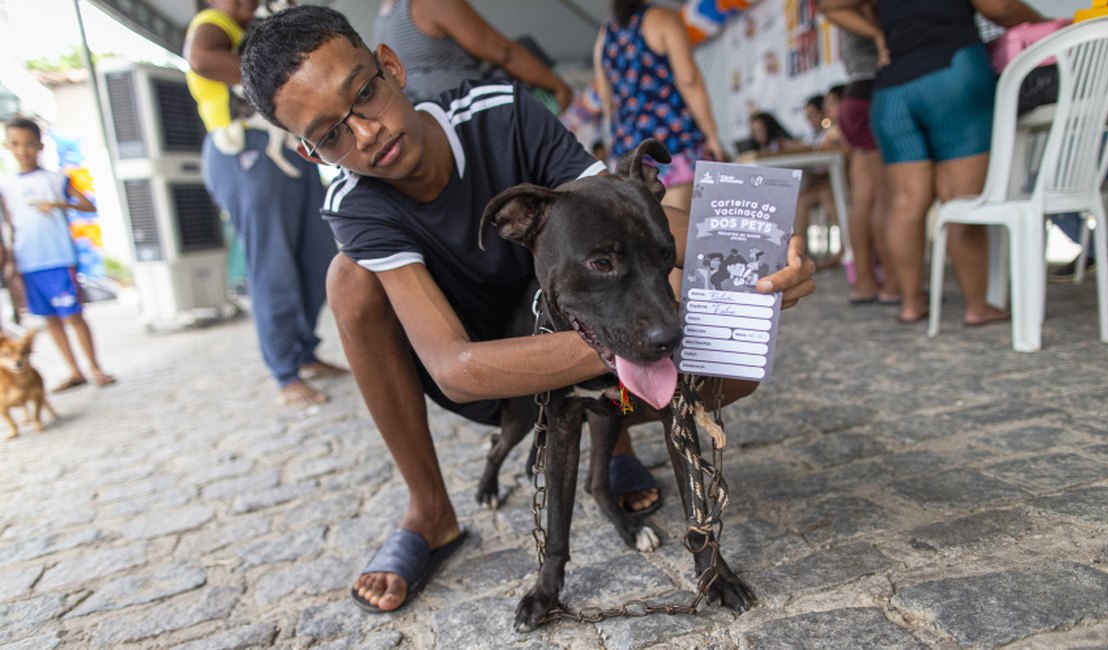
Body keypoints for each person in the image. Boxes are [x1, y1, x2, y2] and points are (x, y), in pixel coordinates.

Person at [240, 5, 816, 613]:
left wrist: (760, 253)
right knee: (349, 280)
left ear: (390, 66)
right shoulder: (354, 200)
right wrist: (638, 336)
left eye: (363, 96)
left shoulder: (502, 111)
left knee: (736, 365)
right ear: (310, 153)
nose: (364, 133)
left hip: (576, 323)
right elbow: (455, 368)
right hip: (492, 370)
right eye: (330, 134)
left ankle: (612, 431)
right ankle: (428, 510)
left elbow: (619, 209)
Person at [822, 0, 1044, 325]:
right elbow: (1002, 8)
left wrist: (879, 33)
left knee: (904, 203)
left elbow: (831, 6)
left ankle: (910, 303)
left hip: (892, 90)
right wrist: (1043, 25)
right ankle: (977, 306)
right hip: (953, 72)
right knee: (962, 201)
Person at [184, 0, 345, 407]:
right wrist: (282, 72)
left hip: (292, 149)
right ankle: (284, 372)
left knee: (317, 253)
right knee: (272, 262)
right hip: (245, 152)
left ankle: (304, 352)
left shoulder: (258, 25)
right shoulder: (213, 24)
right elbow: (201, 58)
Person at [0, 117, 115, 392]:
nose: (23, 150)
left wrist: (59, 204)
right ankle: (74, 371)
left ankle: (95, 367)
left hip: (59, 259)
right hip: (28, 262)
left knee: (73, 315)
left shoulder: (56, 179)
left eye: (29, 144)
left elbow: (87, 204)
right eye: (16, 144)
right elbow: (8, 227)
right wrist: (9, 263)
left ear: (39, 145)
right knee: (50, 318)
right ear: (7, 146)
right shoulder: (6, 187)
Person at [594, 0, 725, 215]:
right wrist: (712, 134)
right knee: (678, 225)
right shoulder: (663, 18)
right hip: (672, 145)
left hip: (626, 153)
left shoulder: (605, 33)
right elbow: (689, 81)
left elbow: (606, 99)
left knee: (642, 231)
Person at [819, 10, 899, 304]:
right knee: (882, 198)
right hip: (871, 94)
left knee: (862, 201)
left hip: (854, 95)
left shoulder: (844, 11)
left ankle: (865, 281)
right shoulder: (861, 10)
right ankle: (892, 283)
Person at [373, 0, 573, 110]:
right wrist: (558, 87)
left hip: (438, 126)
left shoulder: (384, 14)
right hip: (471, 121)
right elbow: (504, 52)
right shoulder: (429, 3)